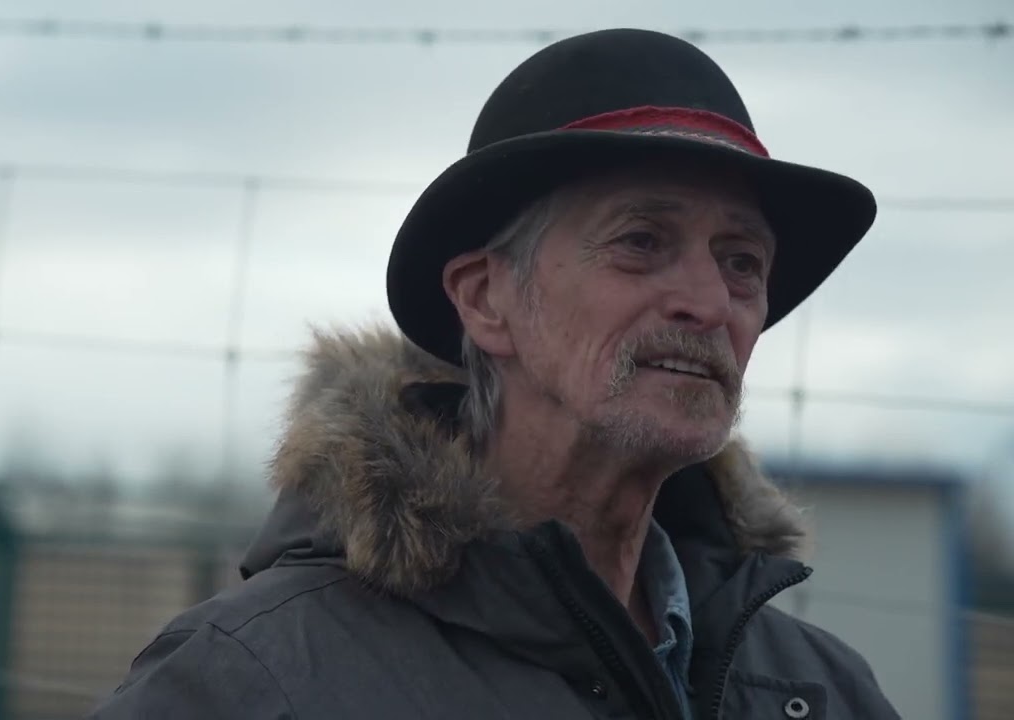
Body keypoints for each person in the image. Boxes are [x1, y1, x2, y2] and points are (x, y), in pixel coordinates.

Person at [90, 28, 900, 719]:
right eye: (642, 242)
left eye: (742, 262)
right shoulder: (257, 679)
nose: (709, 302)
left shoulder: (820, 690)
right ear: (486, 300)